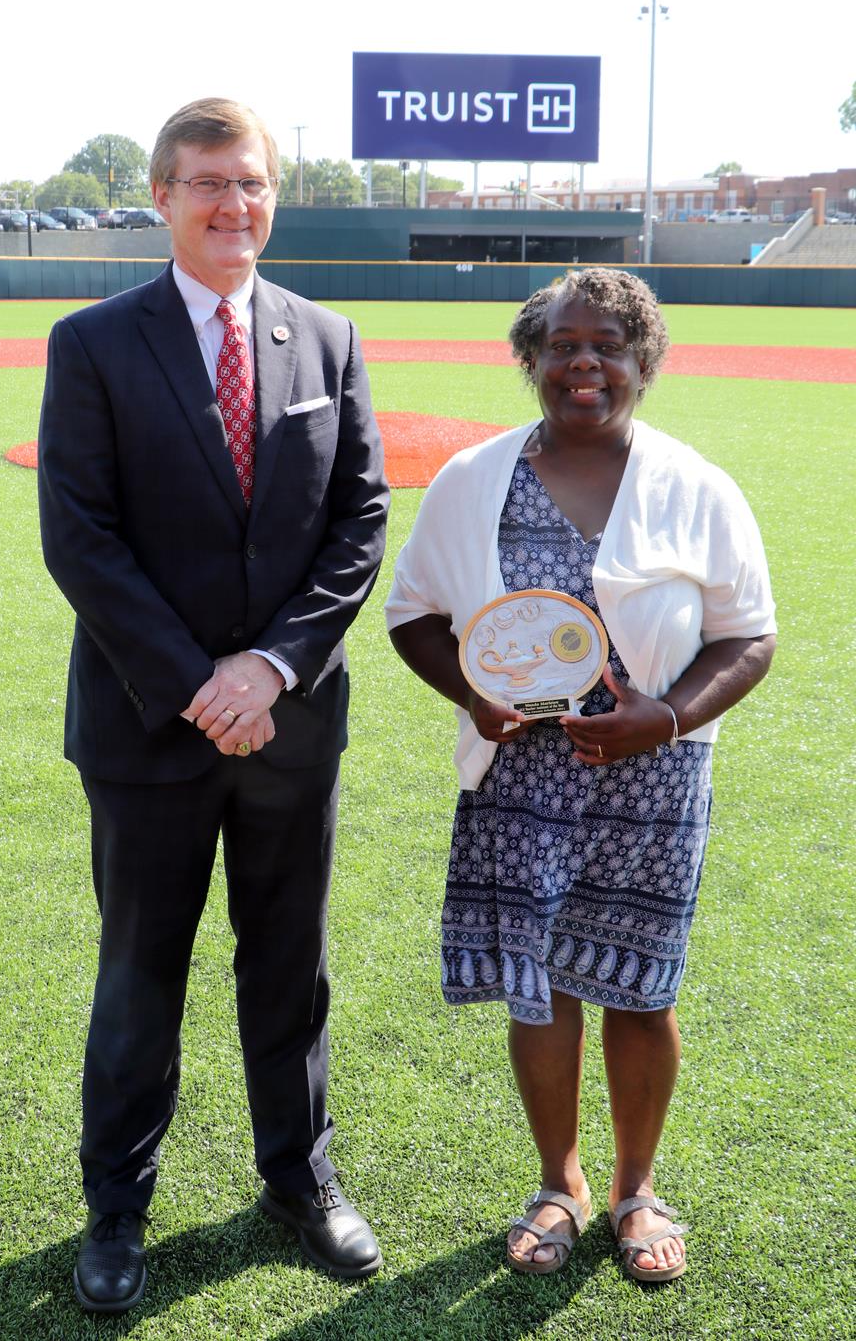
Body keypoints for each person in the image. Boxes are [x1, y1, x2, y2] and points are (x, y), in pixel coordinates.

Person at [38, 97, 389, 1313]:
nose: (232, 205)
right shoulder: (93, 343)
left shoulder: (327, 337)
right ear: (162, 197)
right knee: (140, 970)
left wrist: (271, 667)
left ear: (271, 193)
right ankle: (116, 1211)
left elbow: (357, 524)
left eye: (249, 183)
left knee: (287, 969)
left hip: (290, 725)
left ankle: (298, 1182)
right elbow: (79, 538)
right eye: (206, 185)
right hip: (148, 727)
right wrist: (200, 681)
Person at [385, 268, 775, 1285]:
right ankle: (556, 1183)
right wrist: (470, 694)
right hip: (518, 776)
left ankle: (634, 1189)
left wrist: (668, 715)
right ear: (531, 356)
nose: (581, 362)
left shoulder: (696, 486)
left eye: (606, 343)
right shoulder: (473, 477)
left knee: (640, 988)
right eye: (560, 342)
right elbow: (412, 613)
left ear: (641, 361)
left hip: (653, 778)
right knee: (542, 987)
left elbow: (748, 637)